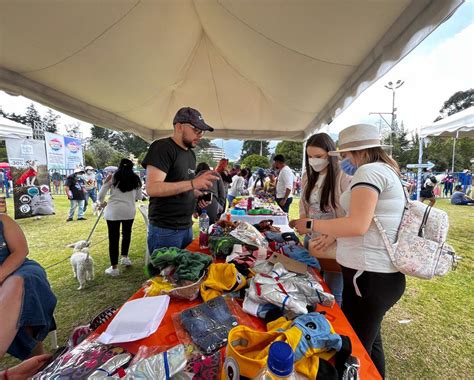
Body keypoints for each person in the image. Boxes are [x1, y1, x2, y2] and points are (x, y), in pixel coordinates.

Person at [290, 124, 405, 378]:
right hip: (375, 276)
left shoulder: (369, 172)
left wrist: (311, 224)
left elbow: (356, 223)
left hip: (369, 277)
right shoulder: (385, 170)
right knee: (370, 346)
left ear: (357, 152)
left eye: (343, 155)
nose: (342, 161)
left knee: (353, 351)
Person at [142, 107, 217, 251]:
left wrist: (198, 194)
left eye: (202, 131)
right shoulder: (162, 147)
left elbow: (182, 185)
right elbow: (152, 188)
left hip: (186, 226)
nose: (200, 135)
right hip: (166, 229)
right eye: (196, 130)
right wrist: (193, 183)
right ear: (179, 126)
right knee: (166, 273)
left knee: (181, 272)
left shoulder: (190, 154)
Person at [298, 133, 352, 306]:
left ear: (330, 154)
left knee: (333, 291)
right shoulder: (308, 175)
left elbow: (350, 212)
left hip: (334, 243)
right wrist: (303, 221)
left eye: (319, 157)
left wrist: (333, 235)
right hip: (312, 239)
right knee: (312, 284)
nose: (314, 161)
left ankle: (334, 328)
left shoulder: (342, 176)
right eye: (310, 157)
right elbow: (303, 203)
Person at [0, 213, 57, 360]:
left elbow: (20, 251)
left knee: (22, 283)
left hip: (18, 268)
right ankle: (37, 359)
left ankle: (36, 357)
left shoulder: (3, 220)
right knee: (16, 303)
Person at [98, 159, 143, 276]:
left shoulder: (112, 177)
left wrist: (102, 201)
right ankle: (125, 257)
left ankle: (114, 267)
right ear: (132, 167)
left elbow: (100, 195)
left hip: (113, 211)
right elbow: (139, 196)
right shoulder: (136, 178)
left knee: (113, 238)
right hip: (129, 211)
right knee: (126, 234)